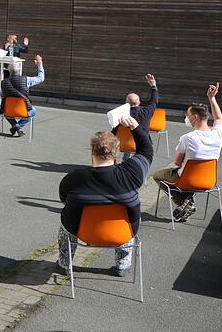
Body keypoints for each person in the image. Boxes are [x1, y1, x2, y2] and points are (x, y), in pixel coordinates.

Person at [57, 116, 151, 277]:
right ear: (117, 151)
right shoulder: (132, 173)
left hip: (83, 231)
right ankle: (122, 265)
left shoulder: (75, 177)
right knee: (129, 219)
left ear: (92, 150)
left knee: (66, 226)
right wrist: (135, 127)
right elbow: (146, 151)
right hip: (122, 233)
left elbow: (63, 197)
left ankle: (65, 263)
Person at [151, 83, 222, 222]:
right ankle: (187, 201)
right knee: (186, 175)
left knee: (156, 176)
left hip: (185, 179)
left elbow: (177, 162)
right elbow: (219, 118)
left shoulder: (188, 138)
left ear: (195, 117)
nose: (186, 117)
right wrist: (212, 98)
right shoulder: (218, 134)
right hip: (208, 181)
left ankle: (184, 202)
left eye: (188, 114)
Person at [114, 74, 159, 160]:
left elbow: (114, 131)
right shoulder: (146, 112)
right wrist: (153, 86)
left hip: (123, 144)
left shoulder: (120, 115)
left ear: (126, 103)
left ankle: (126, 160)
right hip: (141, 144)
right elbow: (154, 101)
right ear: (139, 102)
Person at [0, 55, 45, 137]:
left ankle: (15, 127)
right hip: (23, 111)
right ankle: (17, 127)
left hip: (8, 111)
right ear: (19, 70)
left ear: (9, 71)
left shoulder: (3, 82)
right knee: (33, 112)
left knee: (5, 112)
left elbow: (2, 96)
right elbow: (41, 78)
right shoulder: (26, 80)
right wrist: (39, 64)